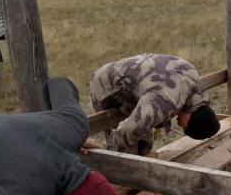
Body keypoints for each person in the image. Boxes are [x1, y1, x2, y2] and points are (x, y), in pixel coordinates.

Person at [89, 54, 221, 155]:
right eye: (186, 128)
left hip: (131, 80)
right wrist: (110, 156)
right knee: (128, 147)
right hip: (107, 85)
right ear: (194, 119)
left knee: (145, 144)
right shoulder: (163, 101)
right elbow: (127, 131)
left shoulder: (192, 79)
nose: (180, 126)